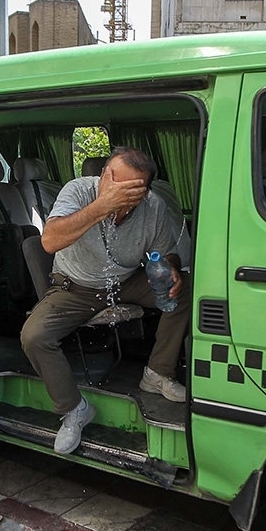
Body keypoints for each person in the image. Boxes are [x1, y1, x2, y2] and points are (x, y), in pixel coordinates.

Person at [21, 146, 191, 455]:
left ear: (144, 191)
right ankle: (74, 410)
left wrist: (171, 268)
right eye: (113, 184)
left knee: (189, 289)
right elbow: (49, 240)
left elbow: (168, 251)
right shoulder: (79, 191)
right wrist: (103, 206)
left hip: (124, 281)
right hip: (75, 287)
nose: (119, 195)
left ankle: (157, 373)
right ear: (102, 177)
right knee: (34, 336)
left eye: (130, 191)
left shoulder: (152, 207)